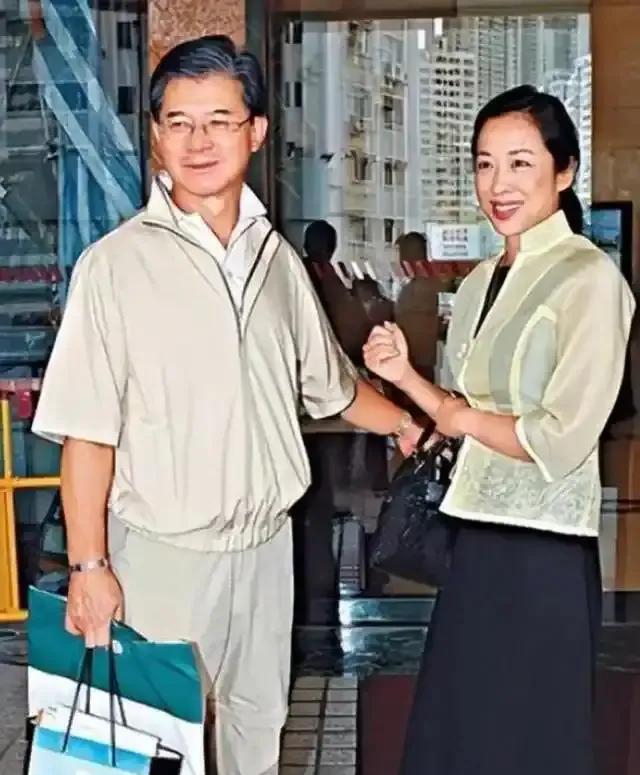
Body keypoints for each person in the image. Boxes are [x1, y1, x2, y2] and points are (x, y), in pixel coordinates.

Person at [32, 35, 423, 775]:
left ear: (256, 131)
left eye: (219, 120)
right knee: (151, 749)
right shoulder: (114, 267)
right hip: (162, 557)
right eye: (178, 122)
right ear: (155, 135)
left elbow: (332, 388)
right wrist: (89, 565)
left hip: (267, 552)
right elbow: (87, 433)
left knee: (257, 737)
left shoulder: (277, 263)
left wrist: (406, 422)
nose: (198, 141)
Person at [364, 84, 635, 775]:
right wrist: (406, 381)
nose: (498, 183)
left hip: (544, 550)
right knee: (458, 739)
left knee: (529, 746)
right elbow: (461, 412)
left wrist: (459, 416)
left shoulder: (590, 279)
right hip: (473, 540)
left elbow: (563, 437)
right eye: (485, 164)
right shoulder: (481, 278)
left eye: (520, 162)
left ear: (565, 170)